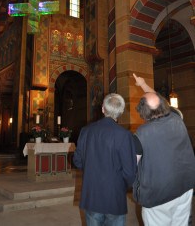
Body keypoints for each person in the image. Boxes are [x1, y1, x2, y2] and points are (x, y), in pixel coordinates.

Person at [132, 89, 195, 226]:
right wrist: (143, 85)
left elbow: (132, 167)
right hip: (184, 187)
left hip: (158, 194)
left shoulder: (141, 134)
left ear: (142, 111)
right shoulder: (178, 121)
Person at [73, 93, 137, 226]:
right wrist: (123, 186)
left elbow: (77, 161)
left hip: (92, 194)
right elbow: (130, 172)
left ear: (103, 109)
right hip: (114, 196)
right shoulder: (125, 135)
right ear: (121, 111)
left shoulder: (86, 131)